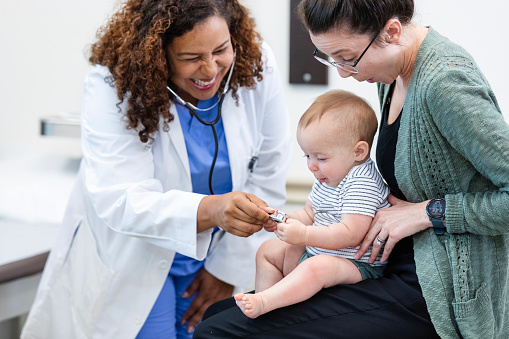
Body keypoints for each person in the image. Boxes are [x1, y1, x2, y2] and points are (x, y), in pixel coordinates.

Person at [193, 0, 509, 337]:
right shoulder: (392, 72)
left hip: (433, 286)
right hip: (391, 260)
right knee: (218, 315)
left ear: (391, 31)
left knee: (219, 332)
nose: (343, 73)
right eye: (331, 59)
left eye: (347, 58)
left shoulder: (445, 83)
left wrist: (427, 212)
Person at [21, 0, 291, 338]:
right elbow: (121, 198)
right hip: (136, 252)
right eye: (191, 58)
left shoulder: (255, 61)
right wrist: (212, 209)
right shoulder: (112, 84)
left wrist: (227, 268)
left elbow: (269, 167)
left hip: (217, 251)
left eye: (221, 50)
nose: (210, 69)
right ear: (157, 55)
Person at [234, 89, 390, 319]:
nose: (311, 166)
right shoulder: (329, 176)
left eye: (321, 158)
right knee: (268, 251)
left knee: (317, 268)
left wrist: (304, 234)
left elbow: (350, 234)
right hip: (320, 251)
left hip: (356, 265)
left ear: (358, 151)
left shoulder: (362, 183)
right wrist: (284, 220)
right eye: (307, 156)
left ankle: (265, 301)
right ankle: (267, 309)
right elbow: (310, 213)